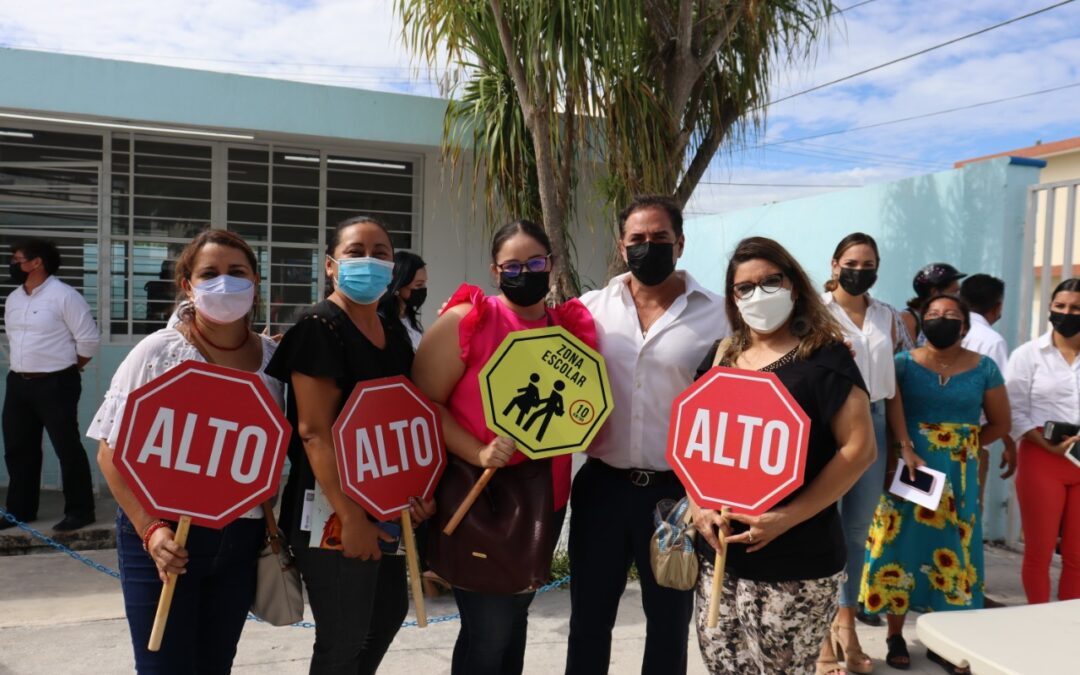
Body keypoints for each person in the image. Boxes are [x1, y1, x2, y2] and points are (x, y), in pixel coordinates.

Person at [88, 230, 278, 672]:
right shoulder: (159, 352)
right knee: (164, 667)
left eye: (237, 273)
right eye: (209, 273)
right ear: (187, 285)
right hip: (164, 535)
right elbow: (110, 453)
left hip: (241, 536)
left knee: (216, 665)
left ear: (255, 282)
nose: (225, 283)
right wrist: (151, 531)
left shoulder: (274, 362)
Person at [413, 218, 596, 675]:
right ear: (495, 272)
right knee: (490, 636)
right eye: (512, 265)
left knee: (513, 627)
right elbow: (423, 403)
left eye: (534, 262)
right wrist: (476, 451)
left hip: (546, 501)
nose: (524, 273)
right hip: (481, 498)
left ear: (550, 265)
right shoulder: (468, 320)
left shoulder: (568, 330)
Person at [691, 236, 875, 675]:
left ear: (794, 285)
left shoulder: (826, 360)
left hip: (797, 563)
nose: (759, 294)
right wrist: (697, 506)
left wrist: (787, 517)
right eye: (745, 287)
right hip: (720, 562)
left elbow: (859, 449)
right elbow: (693, 443)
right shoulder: (720, 357)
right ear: (733, 299)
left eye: (771, 280)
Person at [566, 195, 729, 675]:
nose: (648, 247)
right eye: (637, 239)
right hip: (602, 488)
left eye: (660, 238)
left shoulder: (719, 315)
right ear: (621, 245)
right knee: (589, 621)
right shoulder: (589, 310)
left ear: (680, 243)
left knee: (668, 624)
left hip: (677, 497)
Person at [266, 216, 435, 673]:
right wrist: (351, 517)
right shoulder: (319, 328)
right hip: (331, 514)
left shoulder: (394, 332)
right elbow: (314, 431)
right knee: (343, 640)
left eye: (381, 252)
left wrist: (419, 493)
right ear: (329, 265)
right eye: (356, 251)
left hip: (387, 508)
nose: (370, 260)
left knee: (384, 618)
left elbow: (404, 419)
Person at [862, 294, 1009, 675]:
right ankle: (896, 634)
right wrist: (905, 446)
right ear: (922, 321)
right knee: (898, 547)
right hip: (909, 469)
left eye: (950, 315)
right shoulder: (903, 365)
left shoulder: (985, 368)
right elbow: (886, 410)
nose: (940, 319)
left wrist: (963, 448)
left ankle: (948, 640)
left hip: (957, 477)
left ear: (964, 325)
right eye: (932, 314)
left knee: (954, 552)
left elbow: (1000, 422)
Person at [820, 232, 901, 673]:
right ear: (834, 265)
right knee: (823, 526)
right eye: (852, 262)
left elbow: (895, 386)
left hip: (876, 422)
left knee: (856, 533)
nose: (860, 270)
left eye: (869, 263)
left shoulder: (888, 316)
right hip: (830, 422)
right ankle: (828, 637)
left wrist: (902, 441)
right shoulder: (814, 312)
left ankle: (845, 626)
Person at [2, 238, 100, 532]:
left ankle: (81, 510)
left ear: (37, 263)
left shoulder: (64, 296)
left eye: (18, 259)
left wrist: (71, 368)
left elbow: (89, 340)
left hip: (56, 381)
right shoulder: (14, 298)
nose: (13, 265)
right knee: (19, 448)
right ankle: (20, 510)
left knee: (66, 446)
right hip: (18, 382)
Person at [1004, 278, 1080, 604]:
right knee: (1040, 550)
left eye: (1076, 308)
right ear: (1050, 307)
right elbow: (1013, 410)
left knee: (1078, 555)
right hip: (1042, 458)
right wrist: (1045, 443)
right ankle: (1037, 619)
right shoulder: (1028, 355)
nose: (1067, 313)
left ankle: (1069, 623)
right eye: (1060, 306)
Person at [959, 274, 1018, 509]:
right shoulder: (992, 341)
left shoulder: (939, 329)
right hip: (973, 440)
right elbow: (998, 400)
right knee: (967, 515)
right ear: (997, 306)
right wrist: (1009, 443)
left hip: (927, 438)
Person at [900, 263, 965, 346]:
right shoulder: (909, 319)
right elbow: (908, 356)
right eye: (954, 292)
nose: (958, 297)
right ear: (934, 292)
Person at [379, 250, 428, 350]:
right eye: (419, 284)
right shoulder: (381, 322)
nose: (424, 288)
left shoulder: (408, 319)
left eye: (424, 283)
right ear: (399, 285)